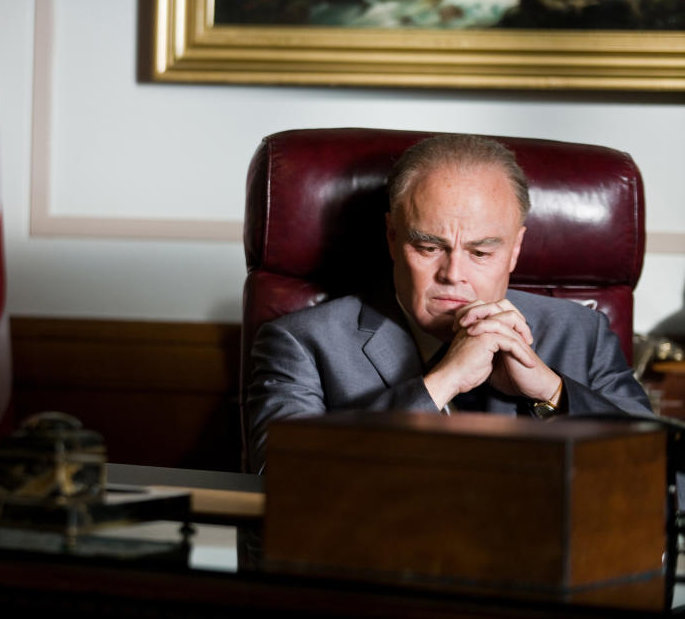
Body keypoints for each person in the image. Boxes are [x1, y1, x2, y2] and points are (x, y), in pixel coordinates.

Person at [246, 134, 653, 473]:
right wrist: (442, 383)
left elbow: (671, 491)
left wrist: (552, 393)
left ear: (515, 250)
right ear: (392, 235)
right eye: (428, 247)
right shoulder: (303, 342)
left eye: (481, 253)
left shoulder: (581, 333)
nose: (453, 274)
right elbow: (284, 482)